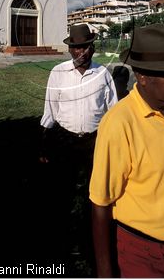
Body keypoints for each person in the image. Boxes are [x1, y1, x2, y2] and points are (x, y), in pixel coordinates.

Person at [90, 23, 164, 278]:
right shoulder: (119, 124)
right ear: (142, 77)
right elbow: (100, 203)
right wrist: (105, 272)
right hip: (141, 254)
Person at [39, 23, 117, 265]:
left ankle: (91, 242)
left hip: (95, 142)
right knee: (64, 190)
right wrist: (44, 145)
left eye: (85, 47)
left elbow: (114, 113)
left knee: (94, 195)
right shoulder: (58, 73)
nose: (80, 52)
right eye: (75, 48)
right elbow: (49, 111)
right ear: (70, 50)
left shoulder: (103, 74)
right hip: (64, 140)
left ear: (92, 48)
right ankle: (64, 242)